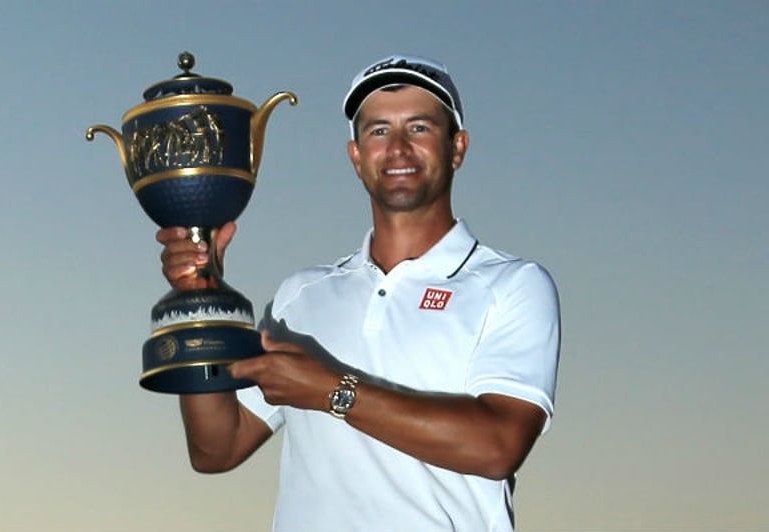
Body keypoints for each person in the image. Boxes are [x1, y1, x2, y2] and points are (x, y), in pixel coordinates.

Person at [157, 54, 560, 532]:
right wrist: (201, 304)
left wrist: (331, 391)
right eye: (378, 131)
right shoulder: (300, 296)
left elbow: (498, 446)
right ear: (355, 156)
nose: (398, 149)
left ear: (458, 148)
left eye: (419, 128)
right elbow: (216, 449)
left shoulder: (512, 284)